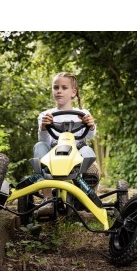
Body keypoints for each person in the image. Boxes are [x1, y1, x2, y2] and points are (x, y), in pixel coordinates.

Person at [33, 72, 97, 215]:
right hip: (54, 153)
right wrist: (43, 127)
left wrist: (91, 125)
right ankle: (47, 197)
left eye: (64, 88)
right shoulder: (46, 115)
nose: (59, 91)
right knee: (39, 147)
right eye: (56, 87)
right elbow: (43, 141)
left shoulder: (82, 113)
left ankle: (86, 192)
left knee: (87, 151)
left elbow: (91, 135)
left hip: (76, 152)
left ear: (73, 92)